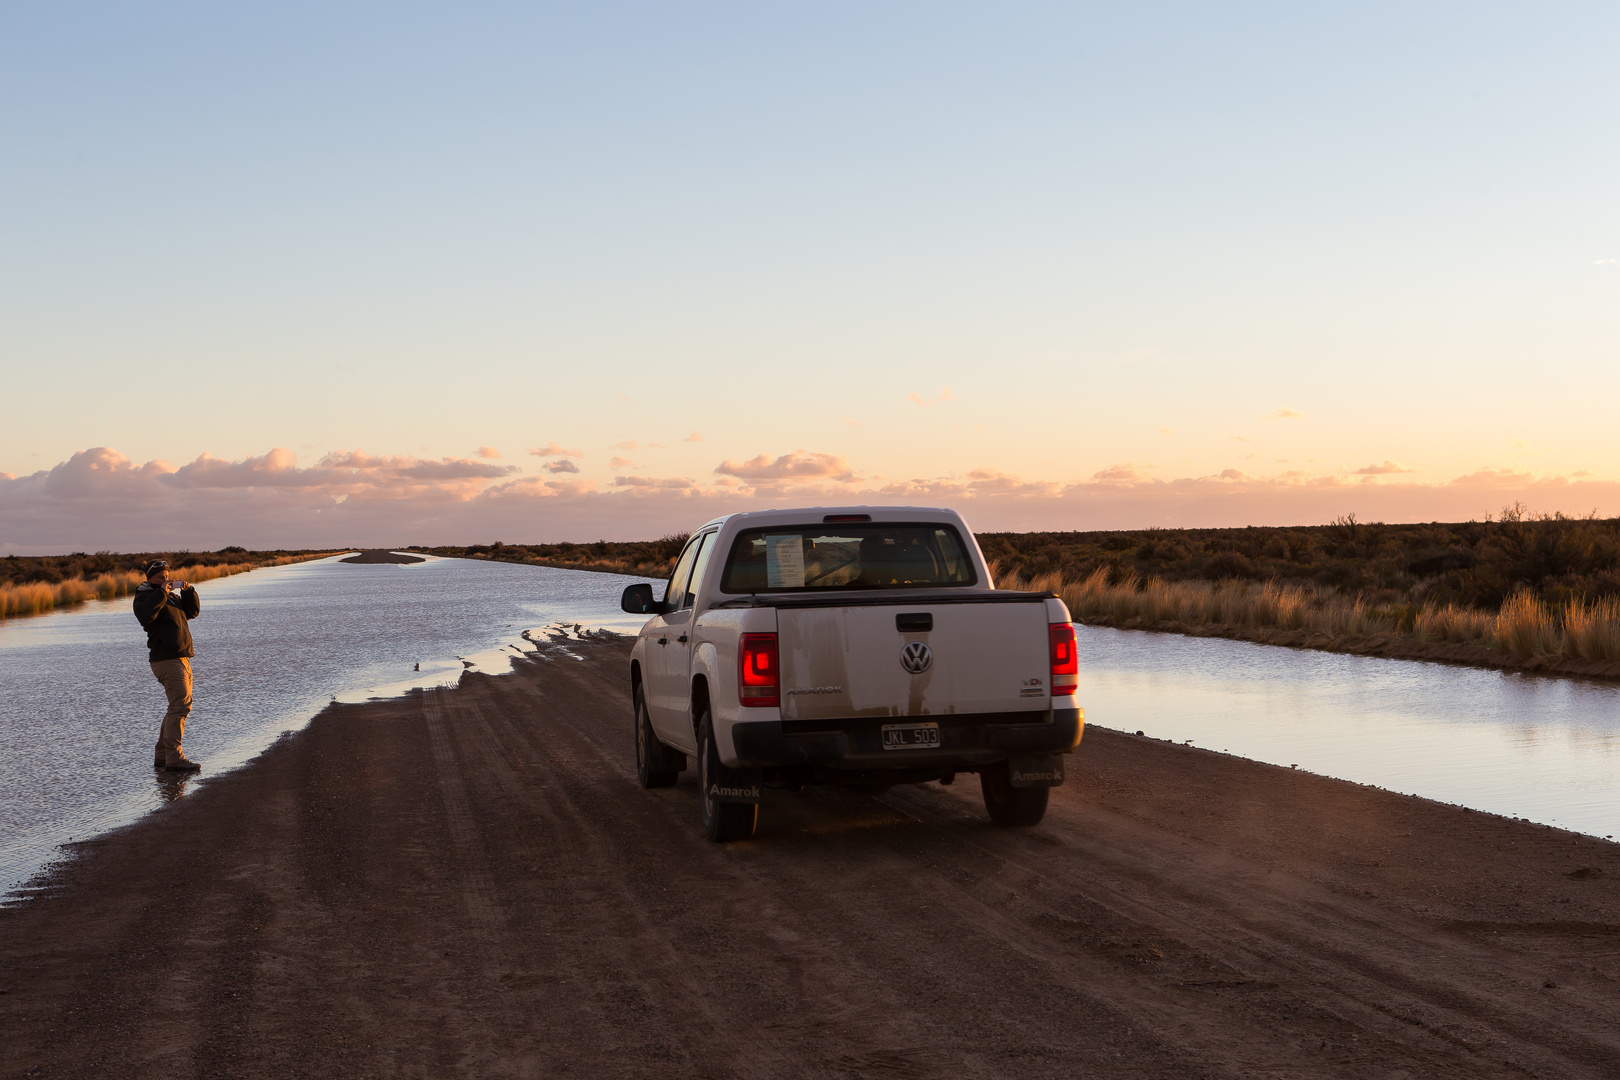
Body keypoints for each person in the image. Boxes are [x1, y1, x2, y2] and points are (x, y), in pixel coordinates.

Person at [133, 560, 203, 771]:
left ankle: (163, 756)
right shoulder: (144, 597)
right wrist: (162, 592)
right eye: (159, 577)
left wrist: (189, 590)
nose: (165, 580)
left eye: (167, 576)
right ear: (150, 579)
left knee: (177, 706)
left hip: (181, 657)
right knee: (181, 706)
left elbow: (192, 612)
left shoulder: (171, 597)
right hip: (166, 659)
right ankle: (175, 757)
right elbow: (147, 615)